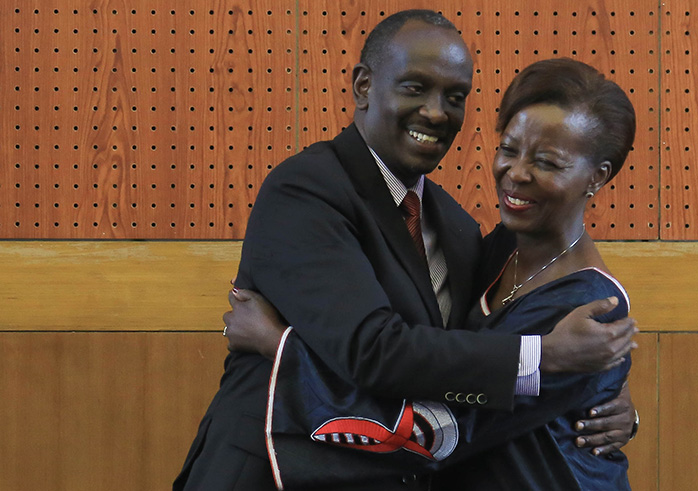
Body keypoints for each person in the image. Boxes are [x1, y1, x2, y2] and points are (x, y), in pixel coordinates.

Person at [174, 10, 637, 491]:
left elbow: (443, 407)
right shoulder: (306, 191)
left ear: (598, 177)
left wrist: (281, 346)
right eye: (414, 87)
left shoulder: (458, 229)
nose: (436, 112)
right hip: (268, 473)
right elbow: (376, 353)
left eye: (454, 97)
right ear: (364, 86)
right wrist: (547, 364)